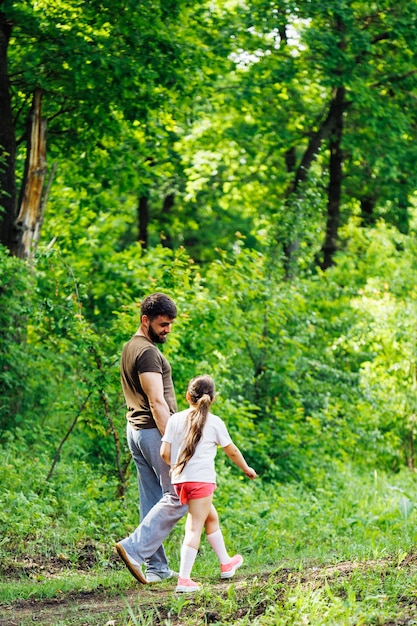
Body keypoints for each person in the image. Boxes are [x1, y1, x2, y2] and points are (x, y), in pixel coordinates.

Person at [115, 293, 188, 584]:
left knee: (153, 499)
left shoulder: (130, 347)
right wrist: (173, 441)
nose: (167, 329)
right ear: (145, 320)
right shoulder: (146, 352)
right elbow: (157, 402)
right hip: (153, 432)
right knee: (181, 495)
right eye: (162, 324)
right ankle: (133, 549)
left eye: (170, 324)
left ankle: (156, 568)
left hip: (136, 431)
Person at [160, 374, 257, 593]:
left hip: (180, 481)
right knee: (194, 527)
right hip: (201, 482)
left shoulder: (175, 420)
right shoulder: (214, 422)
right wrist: (246, 468)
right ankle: (184, 580)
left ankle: (227, 563)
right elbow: (231, 451)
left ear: (188, 396)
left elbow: (164, 453)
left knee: (210, 517)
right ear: (212, 399)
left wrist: (177, 467)